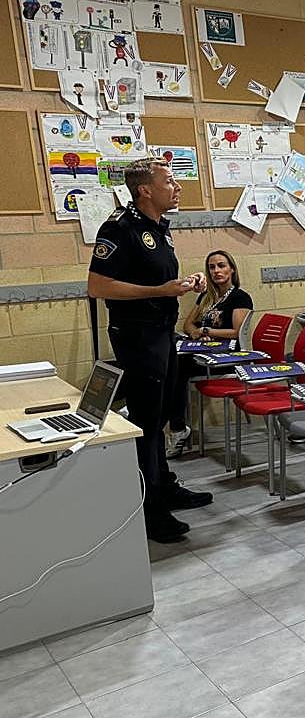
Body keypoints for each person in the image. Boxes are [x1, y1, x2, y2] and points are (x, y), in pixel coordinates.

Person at [87, 158, 213, 543]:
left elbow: (156, 279)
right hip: (137, 336)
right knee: (145, 424)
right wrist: (160, 290)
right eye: (169, 181)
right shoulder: (120, 228)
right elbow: (98, 286)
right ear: (145, 190)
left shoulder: (158, 228)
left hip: (162, 333)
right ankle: (149, 508)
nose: (177, 187)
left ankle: (165, 486)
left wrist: (185, 284)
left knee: (158, 419)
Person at [165, 250, 253, 458]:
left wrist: (205, 331)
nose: (216, 271)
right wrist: (196, 333)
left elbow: (236, 332)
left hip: (228, 357)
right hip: (202, 352)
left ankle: (177, 428)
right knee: (167, 354)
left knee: (177, 365)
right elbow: (188, 325)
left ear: (232, 269)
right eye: (212, 267)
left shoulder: (240, 297)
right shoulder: (207, 296)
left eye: (221, 266)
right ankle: (170, 422)